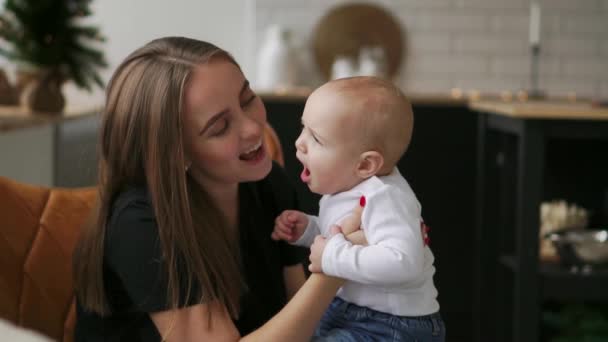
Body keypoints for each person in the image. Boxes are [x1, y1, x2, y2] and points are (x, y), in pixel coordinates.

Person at [72, 36, 364, 342]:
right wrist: (334, 265)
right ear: (176, 153)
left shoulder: (268, 184)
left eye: (247, 98)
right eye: (220, 127)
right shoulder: (140, 223)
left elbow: (303, 320)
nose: (253, 128)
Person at [272, 76, 445, 341]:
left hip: (392, 324)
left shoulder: (386, 198)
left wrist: (332, 256)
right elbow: (348, 233)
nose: (299, 142)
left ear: (365, 165)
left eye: (316, 139)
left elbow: (403, 262)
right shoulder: (347, 186)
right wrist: (310, 229)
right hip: (350, 309)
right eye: (303, 128)